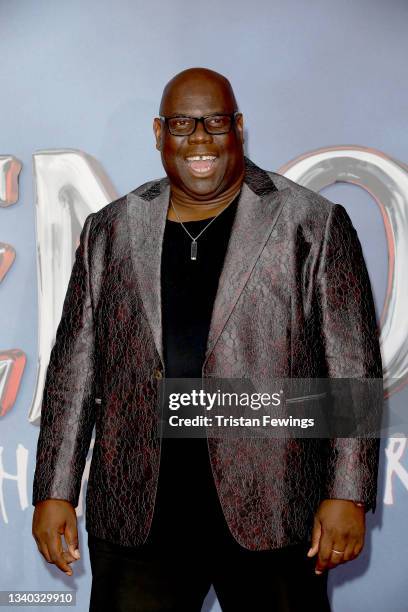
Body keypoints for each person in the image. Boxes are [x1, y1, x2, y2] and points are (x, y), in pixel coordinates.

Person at [32, 67, 383, 611]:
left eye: (215, 121)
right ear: (158, 133)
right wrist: (55, 490)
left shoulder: (309, 223)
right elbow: (75, 367)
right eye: (182, 123)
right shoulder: (113, 228)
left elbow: (352, 366)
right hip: (138, 513)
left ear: (239, 127)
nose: (200, 138)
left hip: (273, 510)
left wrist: (347, 492)